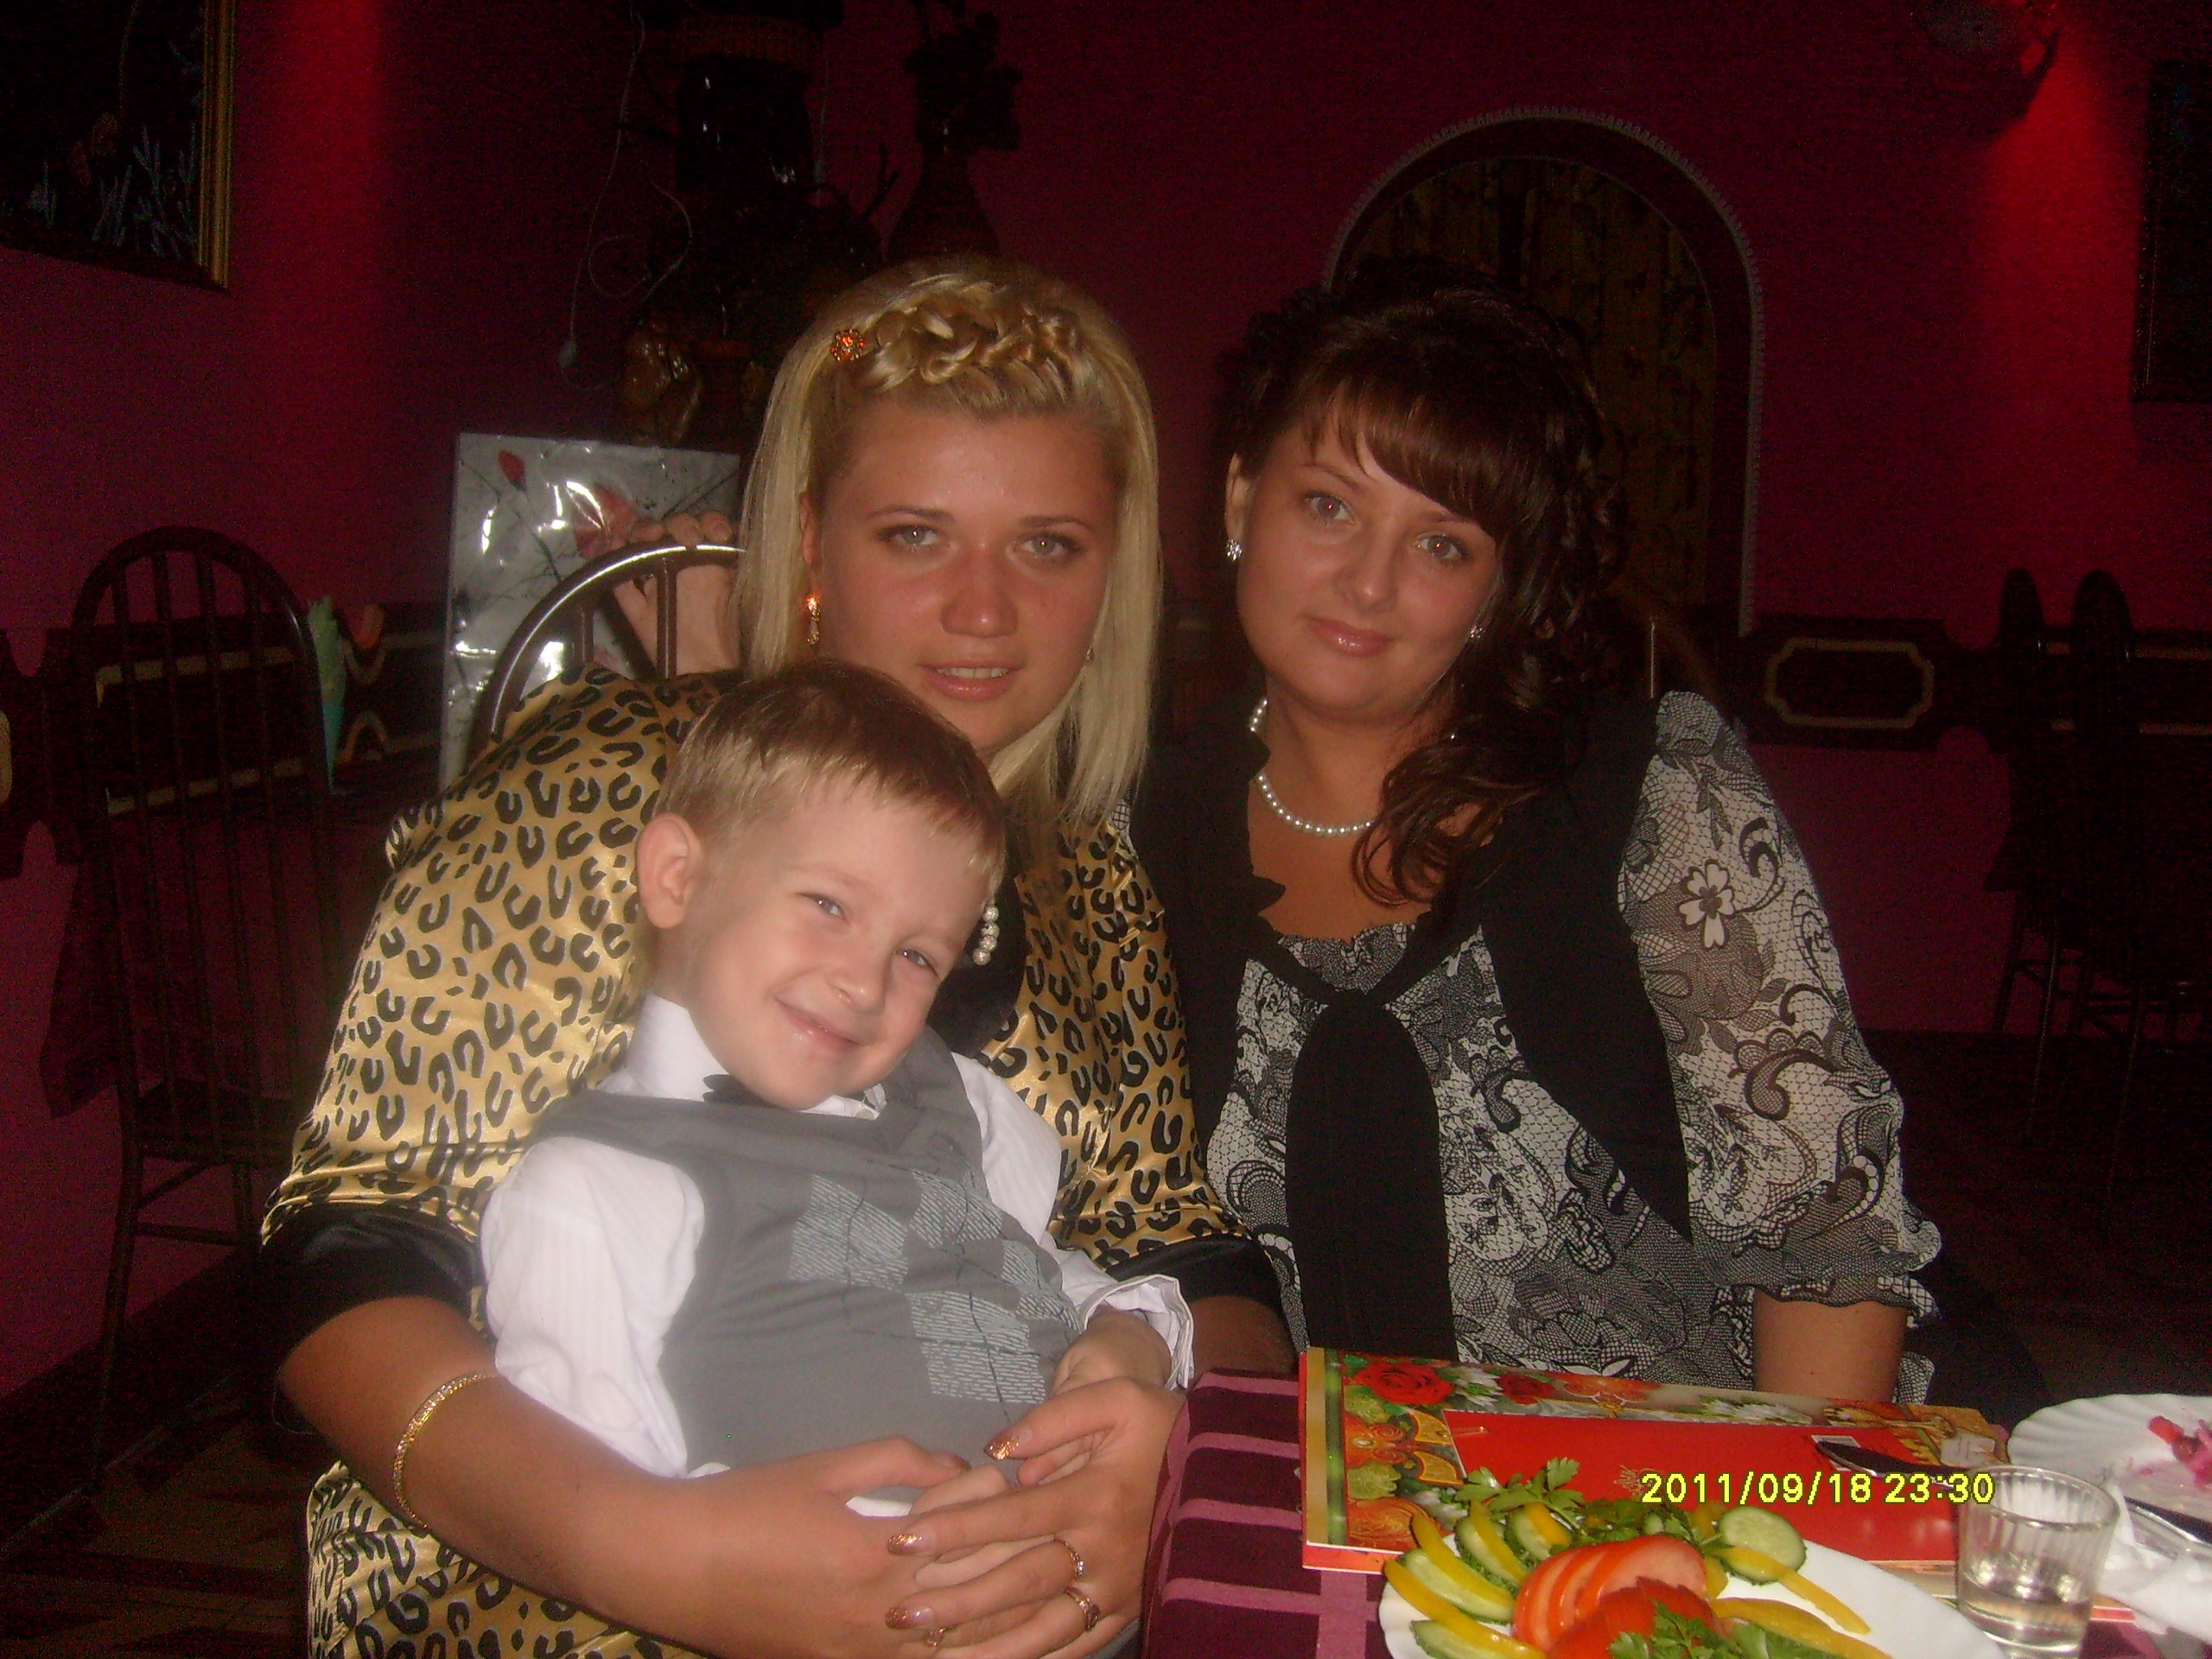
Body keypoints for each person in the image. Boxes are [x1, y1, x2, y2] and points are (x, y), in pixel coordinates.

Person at [263, 257, 1287, 1659]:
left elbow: (1184, 1243)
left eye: (1048, 545)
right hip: (548, 1599)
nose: (984, 611)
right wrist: (642, 1549)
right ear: (808, 543)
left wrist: (1174, 1449)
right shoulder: (627, 789)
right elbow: (350, 1250)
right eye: (916, 535)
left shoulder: (1087, 871)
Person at [1133, 280, 1942, 1403]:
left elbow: (1827, 1233)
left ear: (1499, 585)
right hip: (1335, 1491)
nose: (1368, 581)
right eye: (1328, 506)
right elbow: (1148, 1230)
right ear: (1238, 498)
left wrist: (1772, 1508)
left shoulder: (1643, 797)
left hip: (1694, 1477)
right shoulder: (1142, 839)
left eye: (1442, 543)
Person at [482, 665, 1188, 1618]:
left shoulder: (955, 1101)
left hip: (1117, 1584)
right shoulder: (596, 1189)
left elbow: (1028, 1264)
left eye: (916, 955)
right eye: (828, 905)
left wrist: (1128, 1334)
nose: (865, 982)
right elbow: (608, 1515)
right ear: (677, 876)